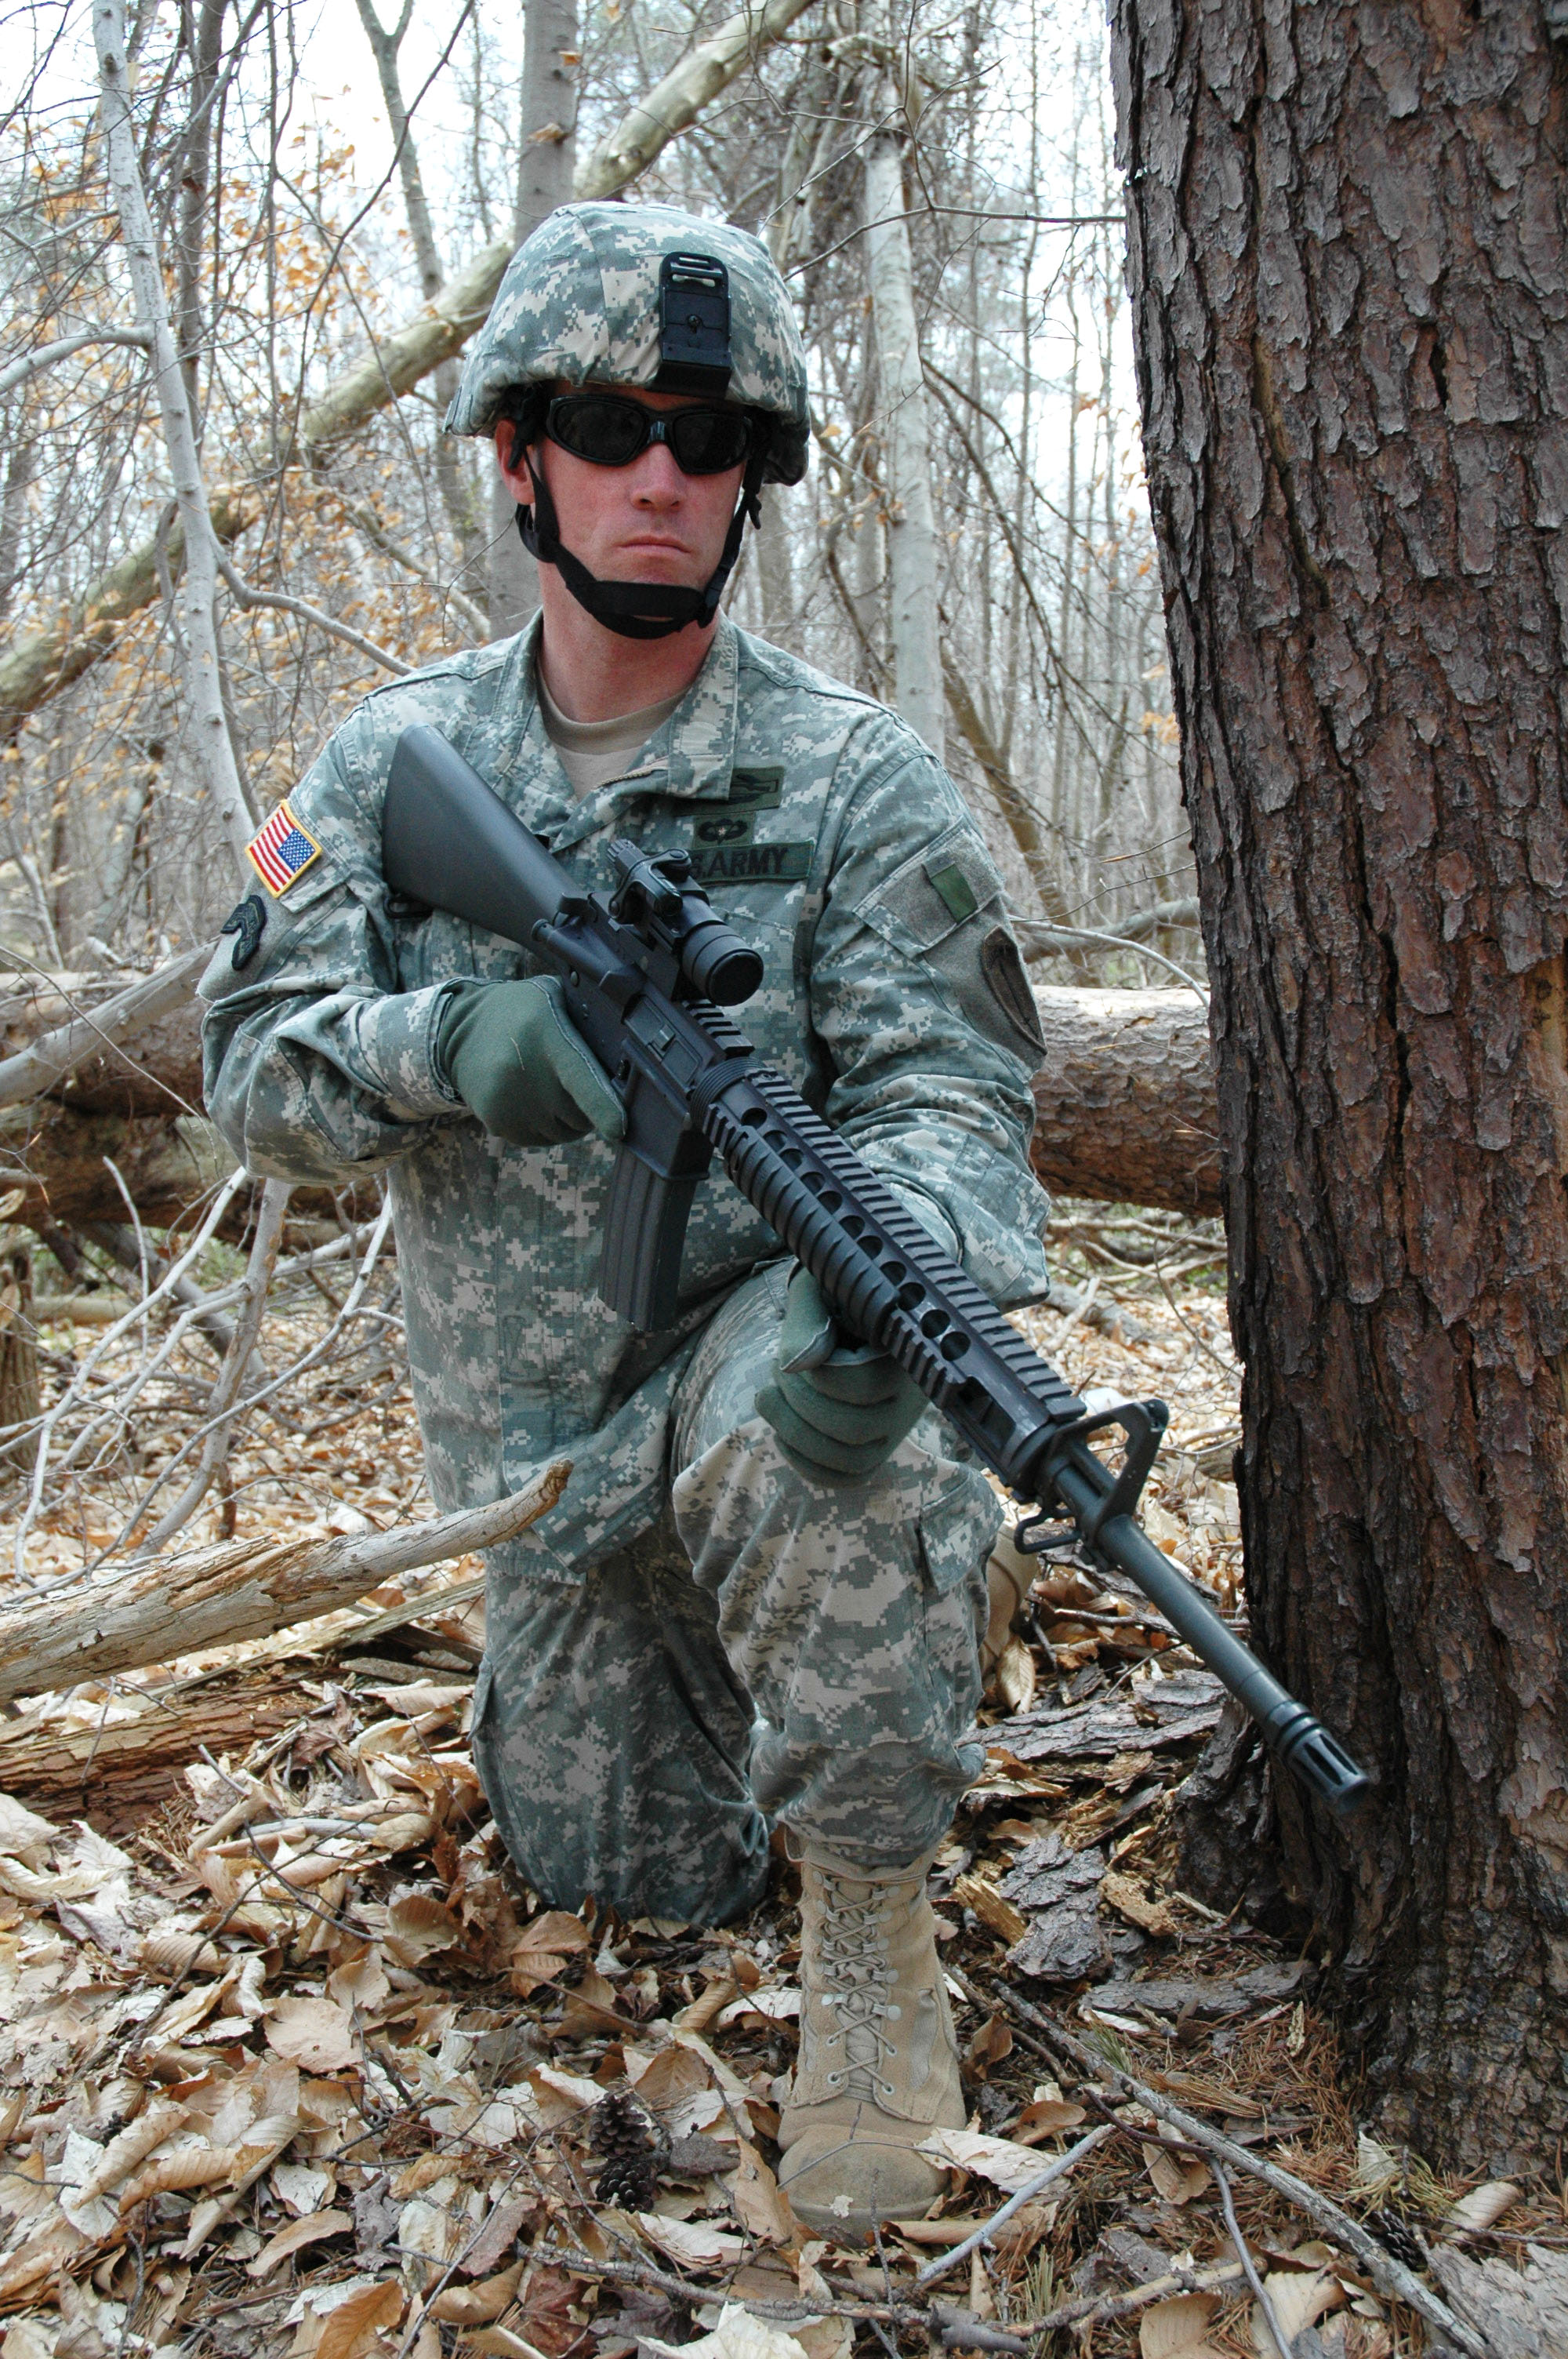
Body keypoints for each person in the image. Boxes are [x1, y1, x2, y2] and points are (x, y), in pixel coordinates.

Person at [201, 201, 1052, 2233]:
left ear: (754, 479)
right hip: (544, 1486)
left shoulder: (853, 780)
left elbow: (959, 1098)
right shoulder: (394, 766)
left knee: (841, 1426)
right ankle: (807, 1680)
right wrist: (444, 1043)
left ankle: (875, 1944)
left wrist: (895, 1289)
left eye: (710, 436)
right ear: (523, 459)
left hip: (761, 1404)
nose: (660, 474)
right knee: (629, 1879)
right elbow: (248, 1070)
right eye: (609, 427)